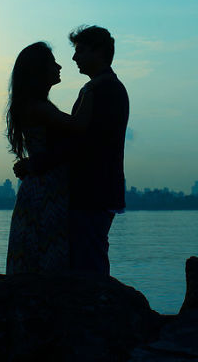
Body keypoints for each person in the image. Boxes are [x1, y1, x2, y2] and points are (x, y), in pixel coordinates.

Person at [4, 41, 90, 274]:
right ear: (39, 70)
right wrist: (89, 94)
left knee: (36, 254)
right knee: (47, 255)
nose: (59, 66)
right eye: (52, 62)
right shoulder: (39, 108)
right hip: (46, 190)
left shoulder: (34, 106)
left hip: (43, 187)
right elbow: (79, 129)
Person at [67, 25, 129, 275]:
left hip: (92, 189)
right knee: (88, 255)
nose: (74, 58)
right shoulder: (104, 87)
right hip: (97, 189)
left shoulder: (103, 89)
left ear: (99, 52)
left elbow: (85, 141)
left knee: (88, 261)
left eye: (80, 51)